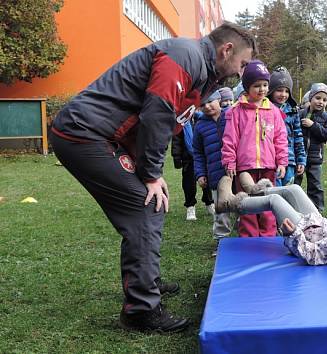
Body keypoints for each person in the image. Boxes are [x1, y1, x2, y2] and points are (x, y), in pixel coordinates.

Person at [50, 22, 256, 333]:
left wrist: (146, 169)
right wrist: (149, 173)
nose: (240, 73)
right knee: (144, 204)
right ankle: (141, 311)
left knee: (152, 203)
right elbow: (157, 114)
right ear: (227, 50)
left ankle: (147, 283)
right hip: (84, 133)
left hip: (105, 137)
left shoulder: (200, 72)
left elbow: (163, 119)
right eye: (241, 64)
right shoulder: (185, 56)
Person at [221, 60, 289, 237]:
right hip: (245, 168)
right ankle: (249, 240)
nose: (262, 89)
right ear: (247, 87)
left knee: (268, 204)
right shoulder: (236, 111)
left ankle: (268, 238)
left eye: (265, 85)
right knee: (247, 206)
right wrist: (229, 162)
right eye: (257, 85)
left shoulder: (273, 111)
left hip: (268, 167)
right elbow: (230, 139)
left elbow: (280, 137)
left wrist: (282, 161)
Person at [192, 91, 233, 239]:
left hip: (237, 172)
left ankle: (246, 239)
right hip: (216, 174)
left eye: (210, 101)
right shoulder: (200, 126)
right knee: (221, 210)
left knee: (244, 207)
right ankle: (221, 240)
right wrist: (200, 174)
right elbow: (198, 153)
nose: (207, 106)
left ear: (219, 99)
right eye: (202, 104)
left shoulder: (232, 115)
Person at [294, 83, 327, 212]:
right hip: (298, 158)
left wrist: (313, 125)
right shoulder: (300, 114)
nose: (321, 102)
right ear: (310, 98)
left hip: (315, 159)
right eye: (318, 98)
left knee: (315, 186)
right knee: (295, 185)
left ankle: (317, 212)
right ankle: (293, 209)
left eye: (324, 100)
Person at [267, 66, 306, 186]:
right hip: (271, 160)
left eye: (286, 91)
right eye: (279, 90)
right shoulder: (266, 109)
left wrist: (301, 160)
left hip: (290, 160)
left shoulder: (293, 111)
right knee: (275, 192)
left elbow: (298, 137)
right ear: (271, 90)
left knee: (289, 191)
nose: (283, 94)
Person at [171, 112, 214, 221]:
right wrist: (177, 157)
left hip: (204, 156)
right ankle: (190, 206)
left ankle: (209, 202)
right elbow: (176, 140)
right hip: (188, 158)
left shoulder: (204, 118)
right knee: (188, 183)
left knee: (207, 181)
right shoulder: (180, 121)